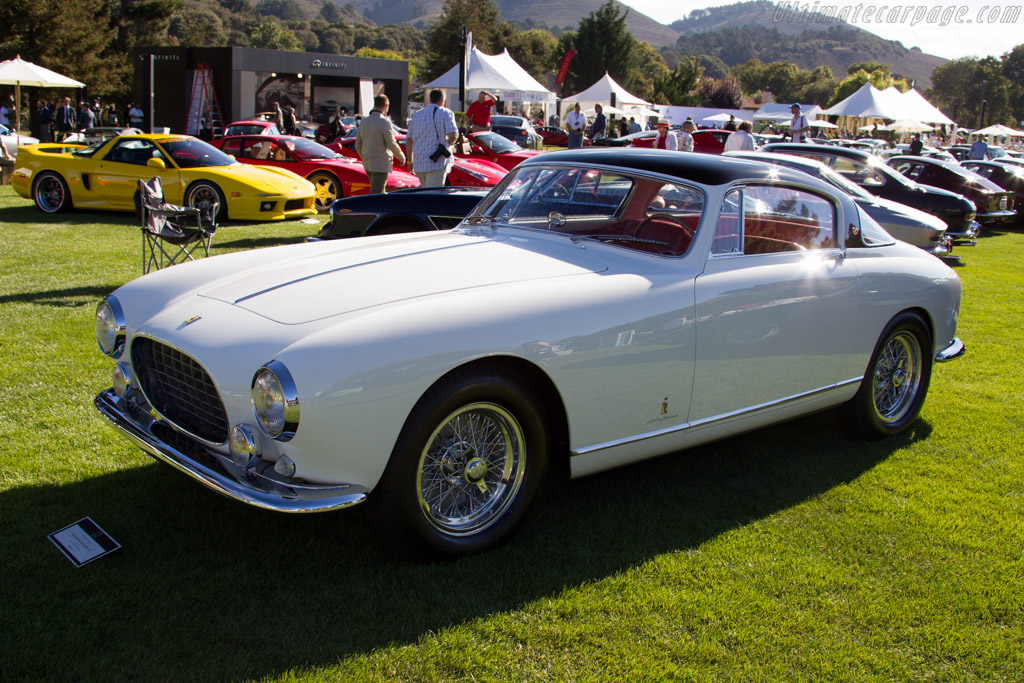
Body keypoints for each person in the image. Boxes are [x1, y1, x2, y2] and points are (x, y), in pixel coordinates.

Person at [406, 88, 458, 187]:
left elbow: (409, 140)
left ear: (429, 99)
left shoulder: (417, 114)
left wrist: (409, 161)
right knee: (433, 197)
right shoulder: (446, 113)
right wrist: (450, 143)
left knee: (425, 194)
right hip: (436, 163)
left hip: (419, 162)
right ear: (442, 100)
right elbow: (453, 135)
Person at [355, 94, 406, 194]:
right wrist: (402, 157)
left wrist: (364, 156)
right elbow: (391, 143)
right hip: (380, 164)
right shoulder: (385, 122)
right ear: (386, 106)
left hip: (368, 163)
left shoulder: (364, 122)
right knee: (377, 194)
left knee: (378, 191)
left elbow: (358, 144)